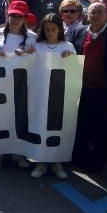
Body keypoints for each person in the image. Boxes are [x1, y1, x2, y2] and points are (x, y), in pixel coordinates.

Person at [69, 2, 107, 173]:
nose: (95, 16)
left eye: (99, 12)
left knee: (102, 128)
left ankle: (98, 161)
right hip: (81, 88)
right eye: (92, 12)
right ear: (86, 15)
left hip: (104, 89)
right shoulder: (78, 31)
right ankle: (80, 157)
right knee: (81, 125)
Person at [31, 14, 75, 179]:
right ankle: (41, 162)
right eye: (47, 29)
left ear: (59, 29)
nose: (50, 32)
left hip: (60, 95)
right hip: (41, 94)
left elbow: (74, 69)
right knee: (42, 127)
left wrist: (69, 58)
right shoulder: (38, 46)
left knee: (57, 128)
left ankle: (56, 162)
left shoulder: (68, 45)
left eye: (53, 29)